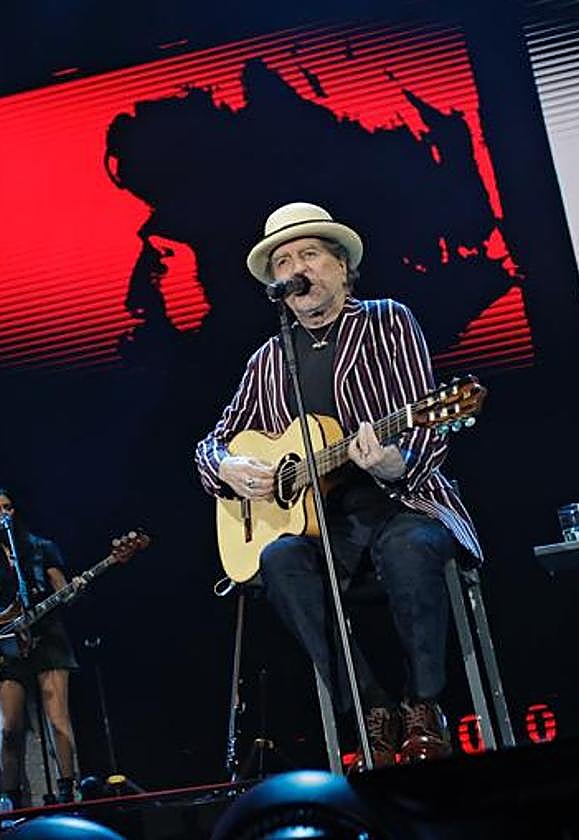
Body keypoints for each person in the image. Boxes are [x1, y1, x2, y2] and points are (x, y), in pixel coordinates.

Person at [195, 202, 483, 770]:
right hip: (325, 525)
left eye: (309, 255)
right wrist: (226, 468)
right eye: (284, 260)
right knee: (276, 562)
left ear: (341, 267)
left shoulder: (386, 322)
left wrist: (394, 464)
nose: (296, 268)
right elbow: (211, 445)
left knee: (407, 548)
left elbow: (423, 421)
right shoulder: (268, 360)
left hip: (403, 501)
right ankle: (371, 709)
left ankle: (423, 706)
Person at [0, 489, 80, 809]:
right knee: (10, 728)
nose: (4, 513)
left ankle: (68, 792)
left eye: (8, 507)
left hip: (48, 637)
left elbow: (63, 590)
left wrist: (72, 591)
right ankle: (10, 800)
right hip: (8, 643)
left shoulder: (41, 549)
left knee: (58, 720)